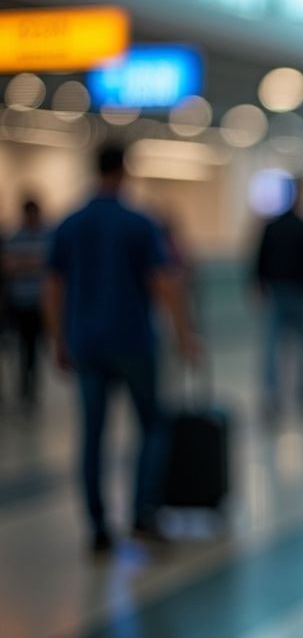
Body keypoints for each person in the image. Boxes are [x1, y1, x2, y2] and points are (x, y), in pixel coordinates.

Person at [45, 143, 199, 553]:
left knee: (93, 435)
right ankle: (143, 513)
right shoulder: (139, 223)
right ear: (125, 170)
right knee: (151, 425)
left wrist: (58, 338)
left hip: (86, 342)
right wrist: (185, 334)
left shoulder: (70, 224)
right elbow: (163, 281)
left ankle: (97, 526)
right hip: (133, 340)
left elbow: (54, 287)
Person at [253, 179, 303, 419]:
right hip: (299, 292)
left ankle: (272, 395)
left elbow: (259, 258)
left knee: (272, 345)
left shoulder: (272, 226)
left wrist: (259, 284)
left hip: (277, 290)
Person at [5, 198, 51, 412]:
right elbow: (9, 265)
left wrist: (25, 262)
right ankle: (25, 388)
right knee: (24, 348)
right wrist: (34, 262)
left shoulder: (48, 236)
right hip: (21, 302)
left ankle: (31, 388)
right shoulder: (14, 237)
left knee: (36, 348)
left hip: (41, 302)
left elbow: (51, 265)